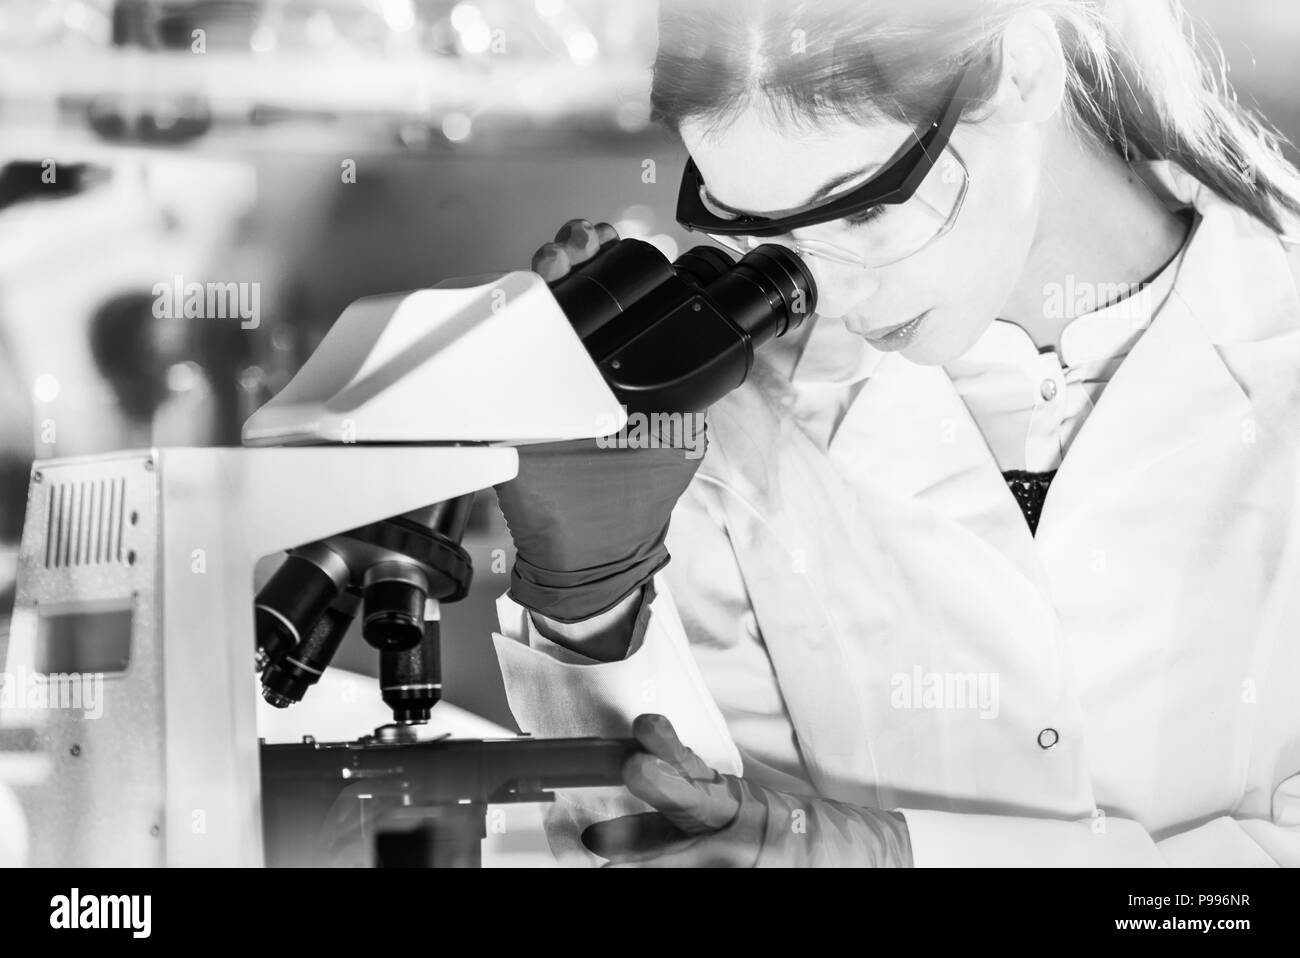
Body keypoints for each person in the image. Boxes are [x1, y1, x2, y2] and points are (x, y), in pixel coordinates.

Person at [492, 0, 1300, 866]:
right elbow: (656, 839)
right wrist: (591, 611)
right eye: (770, 234)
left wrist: (888, 856)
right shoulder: (727, 417)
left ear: (1022, 68)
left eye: (862, 212)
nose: (833, 298)